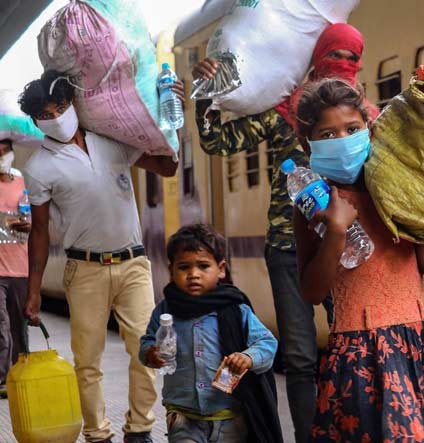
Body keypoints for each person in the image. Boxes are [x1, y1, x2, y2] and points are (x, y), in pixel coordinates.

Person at [191, 23, 377, 443]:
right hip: (287, 245)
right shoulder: (287, 114)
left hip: (348, 244)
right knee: (299, 355)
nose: (341, 67)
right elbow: (217, 141)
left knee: (353, 345)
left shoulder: (365, 118)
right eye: (334, 56)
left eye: (350, 58)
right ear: (316, 57)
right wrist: (205, 93)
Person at [292, 78, 424, 442]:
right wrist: (336, 232)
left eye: (351, 129)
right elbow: (312, 291)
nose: (342, 140)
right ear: (307, 143)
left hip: (421, 338)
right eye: (327, 135)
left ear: (370, 129)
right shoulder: (314, 205)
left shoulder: (395, 189)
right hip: (363, 349)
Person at [19, 70, 180, 443]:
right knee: (87, 362)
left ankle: (140, 429)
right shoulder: (38, 167)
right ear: (36, 121)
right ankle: (98, 434)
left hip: (134, 264)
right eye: (47, 113)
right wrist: (34, 290)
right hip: (85, 269)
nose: (57, 116)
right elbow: (40, 233)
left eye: (61, 105)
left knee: (147, 349)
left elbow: (168, 168)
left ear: (73, 103)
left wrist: (174, 123)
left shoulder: (110, 141)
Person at [140, 224, 280, 443]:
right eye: (184, 267)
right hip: (183, 416)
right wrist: (149, 353)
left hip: (229, 417)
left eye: (203, 266)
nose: (193, 274)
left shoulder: (235, 309)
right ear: (171, 270)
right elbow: (147, 340)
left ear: (221, 269)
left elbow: (267, 343)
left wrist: (248, 357)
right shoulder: (165, 310)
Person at [0, 139, 31, 399]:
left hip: (20, 268)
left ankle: (21, 374)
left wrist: (29, 226)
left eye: (5, 150)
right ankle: (2, 379)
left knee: (18, 328)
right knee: (1, 327)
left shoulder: (23, 182)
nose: (2, 155)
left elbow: (34, 219)